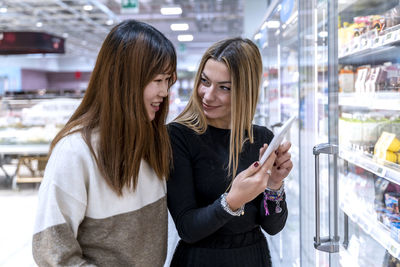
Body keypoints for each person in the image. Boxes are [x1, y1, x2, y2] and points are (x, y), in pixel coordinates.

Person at [32, 20, 176, 266]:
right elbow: (52, 252)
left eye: (167, 81)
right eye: (157, 80)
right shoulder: (76, 152)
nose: (164, 92)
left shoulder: (151, 142)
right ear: (125, 80)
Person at [167, 37, 292, 267]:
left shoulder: (261, 138)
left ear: (246, 91)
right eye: (205, 81)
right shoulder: (178, 136)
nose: (208, 95)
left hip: (253, 258)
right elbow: (187, 228)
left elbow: (273, 227)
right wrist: (232, 201)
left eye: (224, 87)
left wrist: (275, 184)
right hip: (199, 260)